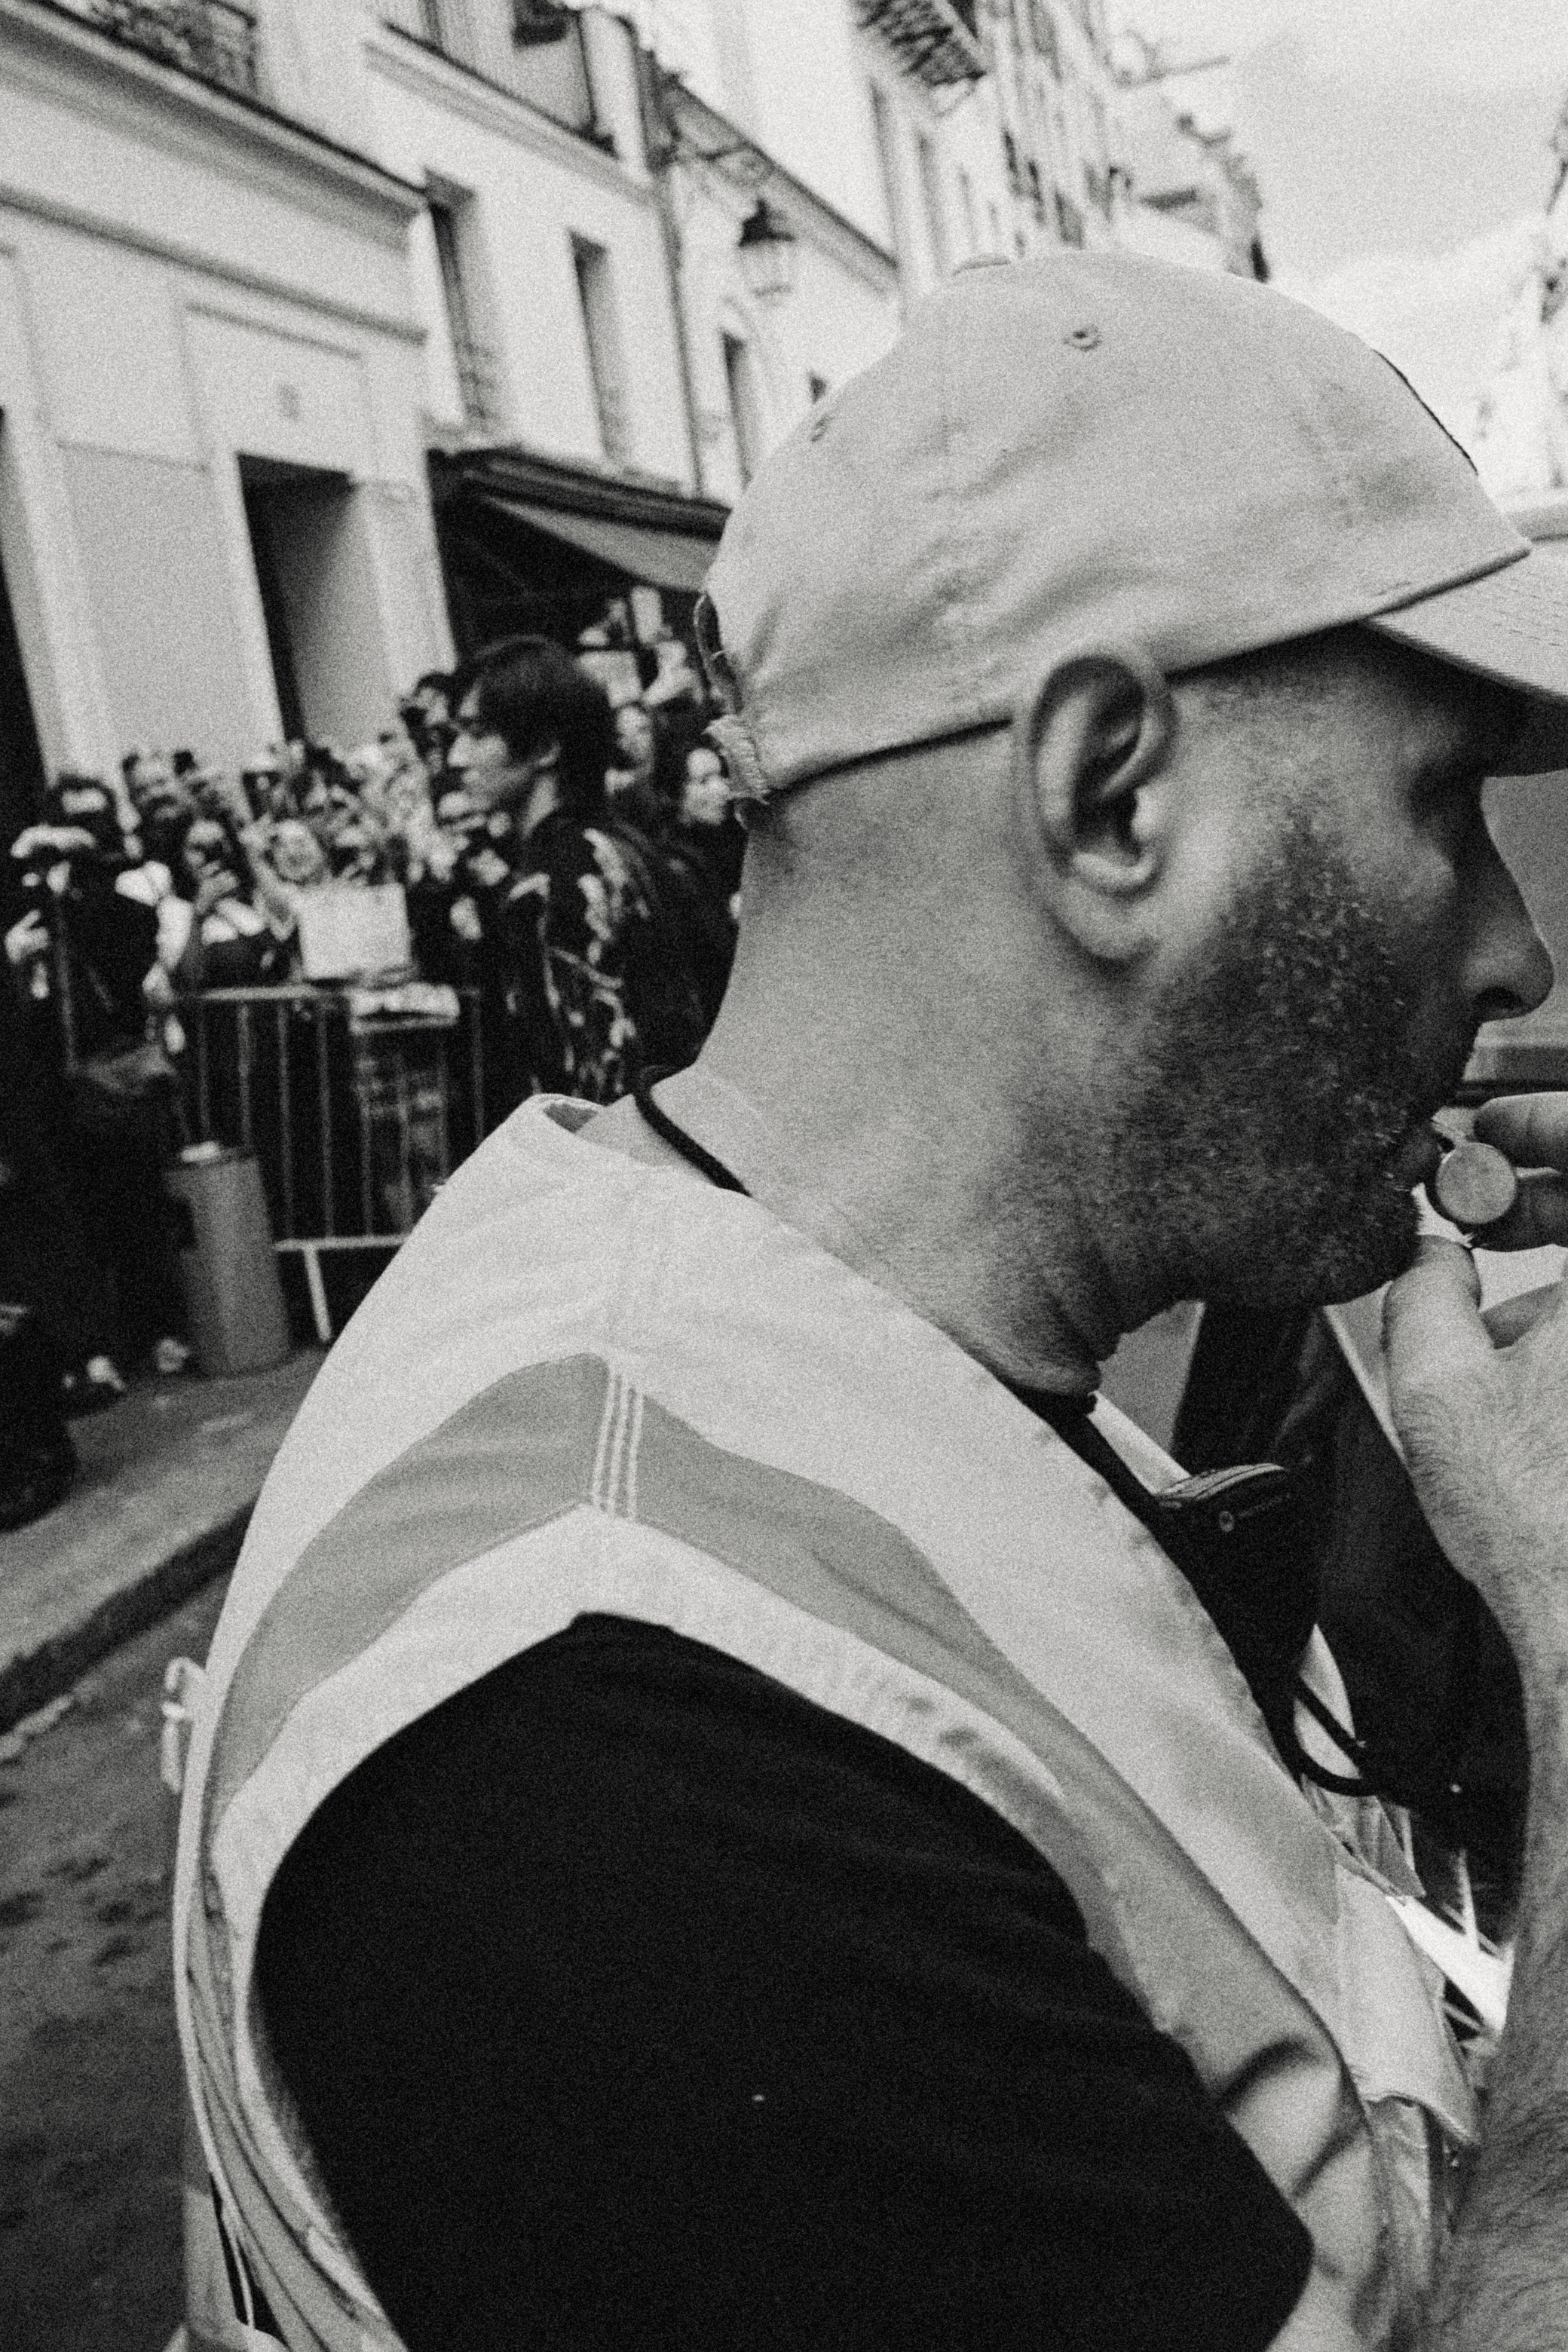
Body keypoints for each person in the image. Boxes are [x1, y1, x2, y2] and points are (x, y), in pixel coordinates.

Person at [177, 254, 1568, 2350]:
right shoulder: (615, 1759)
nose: (1516, 949)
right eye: (1444, 805)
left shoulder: (796, 1340)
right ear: (1109, 798)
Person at [442, 635, 703, 1118]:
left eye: (477, 733)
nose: (456, 757)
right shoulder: (620, 844)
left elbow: (589, 1089)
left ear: (545, 746)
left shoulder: (556, 879)